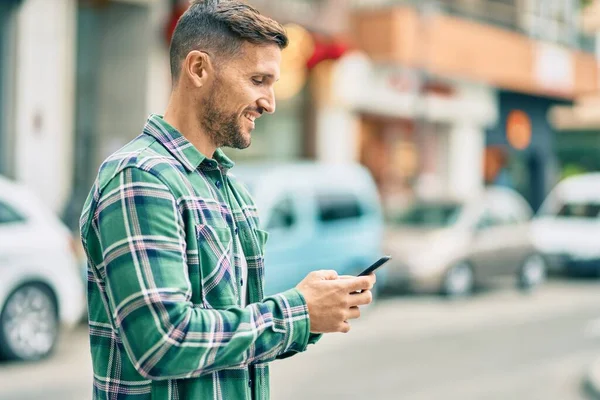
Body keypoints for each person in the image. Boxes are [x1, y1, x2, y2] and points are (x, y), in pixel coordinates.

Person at [79, 1, 376, 399]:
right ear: (199, 69)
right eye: (258, 80)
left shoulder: (231, 190)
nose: (270, 102)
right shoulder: (140, 177)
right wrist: (298, 311)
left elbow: (233, 338)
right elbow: (163, 341)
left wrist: (316, 311)